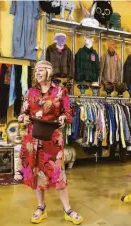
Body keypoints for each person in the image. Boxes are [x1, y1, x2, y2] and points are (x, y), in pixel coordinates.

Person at [18, 60, 83, 225]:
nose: (37, 73)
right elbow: (22, 114)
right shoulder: (30, 92)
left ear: (49, 71)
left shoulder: (61, 92)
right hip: (33, 140)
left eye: (41, 70)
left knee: (58, 173)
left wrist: (63, 117)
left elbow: (68, 113)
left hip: (52, 140)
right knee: (36, 173)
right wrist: (24, 118)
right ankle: (41, 208)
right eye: (36, 71)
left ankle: (67, 209)